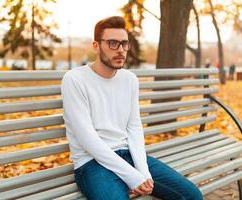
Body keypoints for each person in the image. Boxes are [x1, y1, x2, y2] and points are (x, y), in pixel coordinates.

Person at [61, 16, 203, 200]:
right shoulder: (75, 80)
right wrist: (133, 176)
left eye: (124, 44)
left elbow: (134, 127)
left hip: (129, 156)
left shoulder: (129, 80)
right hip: (92, 164)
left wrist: (143, 172)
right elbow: (88, 139)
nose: (120, 50)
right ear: (96, 46)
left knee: (192, 196)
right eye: (112, 43)